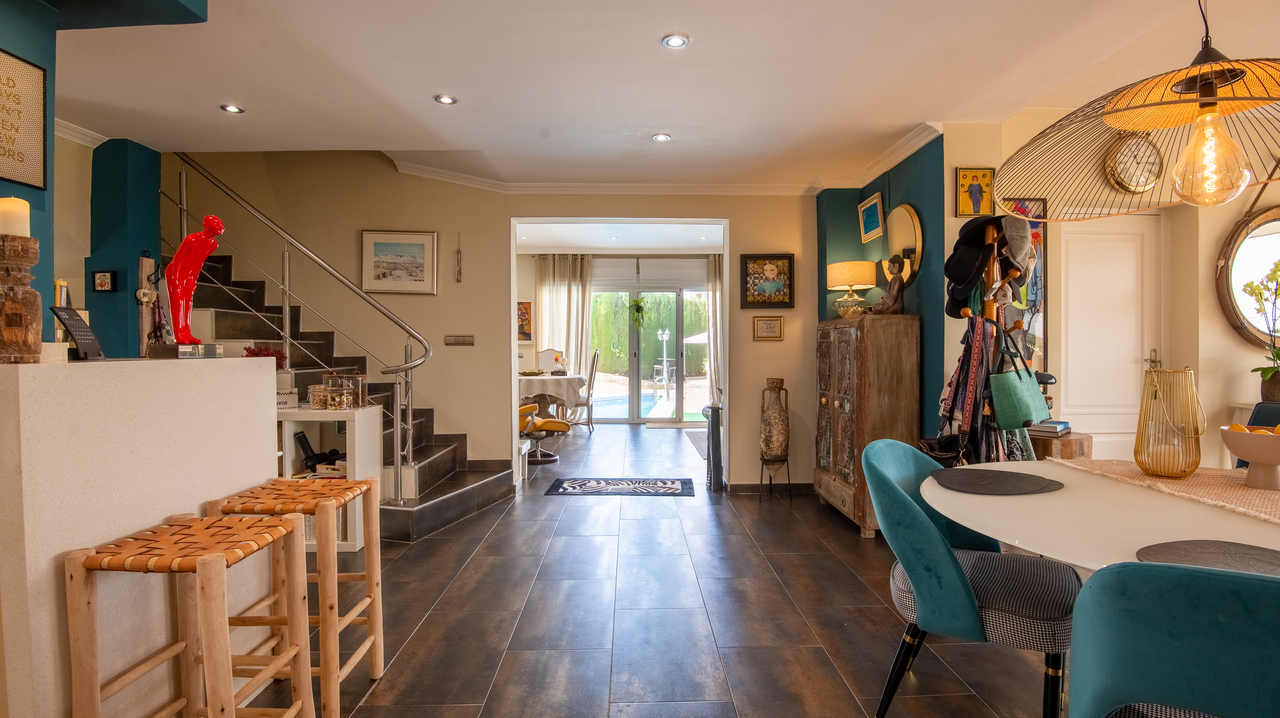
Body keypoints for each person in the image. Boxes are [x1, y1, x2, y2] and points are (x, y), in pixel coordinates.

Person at [166, 215, 224, 344]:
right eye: (217, 223)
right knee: (178, 303)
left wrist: (194, 279)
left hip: (190, 273)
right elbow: (177, 259)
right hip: (177, 271)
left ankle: (187, 333)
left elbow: (200, 261)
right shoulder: (192, 239)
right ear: (207, 226)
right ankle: (179, 334)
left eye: (220, 223)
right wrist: (176, 278)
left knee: (188, 302)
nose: (220, 226)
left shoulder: (213, 244)